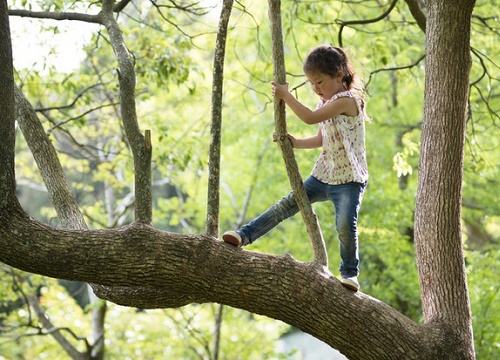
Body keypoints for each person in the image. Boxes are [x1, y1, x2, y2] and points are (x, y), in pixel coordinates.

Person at [223, 45, 369, 291]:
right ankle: (243, 235)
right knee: (287, 204)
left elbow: (311, 117)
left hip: (349, 180)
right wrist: (295, 143)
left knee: (345, 223)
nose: (316, 89)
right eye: (312, 83)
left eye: (319, 82)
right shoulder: (328, 101)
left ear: (339, 74)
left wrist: (286, 96)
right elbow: (322, 139)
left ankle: (349, 274)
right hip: (325, 174)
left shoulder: (347, 100)